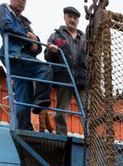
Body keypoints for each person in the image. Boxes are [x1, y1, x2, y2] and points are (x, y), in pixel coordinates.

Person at [0, 0, 53, 130]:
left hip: (24, 58)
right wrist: (29, 40)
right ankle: (40, 101)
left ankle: (24, 127)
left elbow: (36, 46)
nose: (22, 1)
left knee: (23, 94)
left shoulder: (25, 22)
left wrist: (36, 41)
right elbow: (6, 27)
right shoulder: (4, 9)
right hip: (14, 55)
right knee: (45, 69)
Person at [44, 6, 86, 135]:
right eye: (70, 16)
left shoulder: (85, 38)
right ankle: (61, 136)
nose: (72, 20)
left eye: (75, 18)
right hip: (64, 78)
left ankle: (90, 138)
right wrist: (51, 51)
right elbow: (47, 56)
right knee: (61, 111)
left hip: (82, 80)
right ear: (65, 17)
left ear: (78, 20)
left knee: (87, 111)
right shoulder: (55, 36)